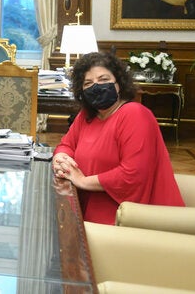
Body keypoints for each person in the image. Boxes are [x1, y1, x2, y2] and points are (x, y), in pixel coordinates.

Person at [52, 52, 184, 224]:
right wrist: (60, 157)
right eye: (88, 83)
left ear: (119, 83)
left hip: (131, 220)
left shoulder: (135, 114)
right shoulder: (86, 116)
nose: (96, 86)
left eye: (103, 79)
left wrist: (82, 181)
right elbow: (66, 145)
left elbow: (132, 175)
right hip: (89, 213)